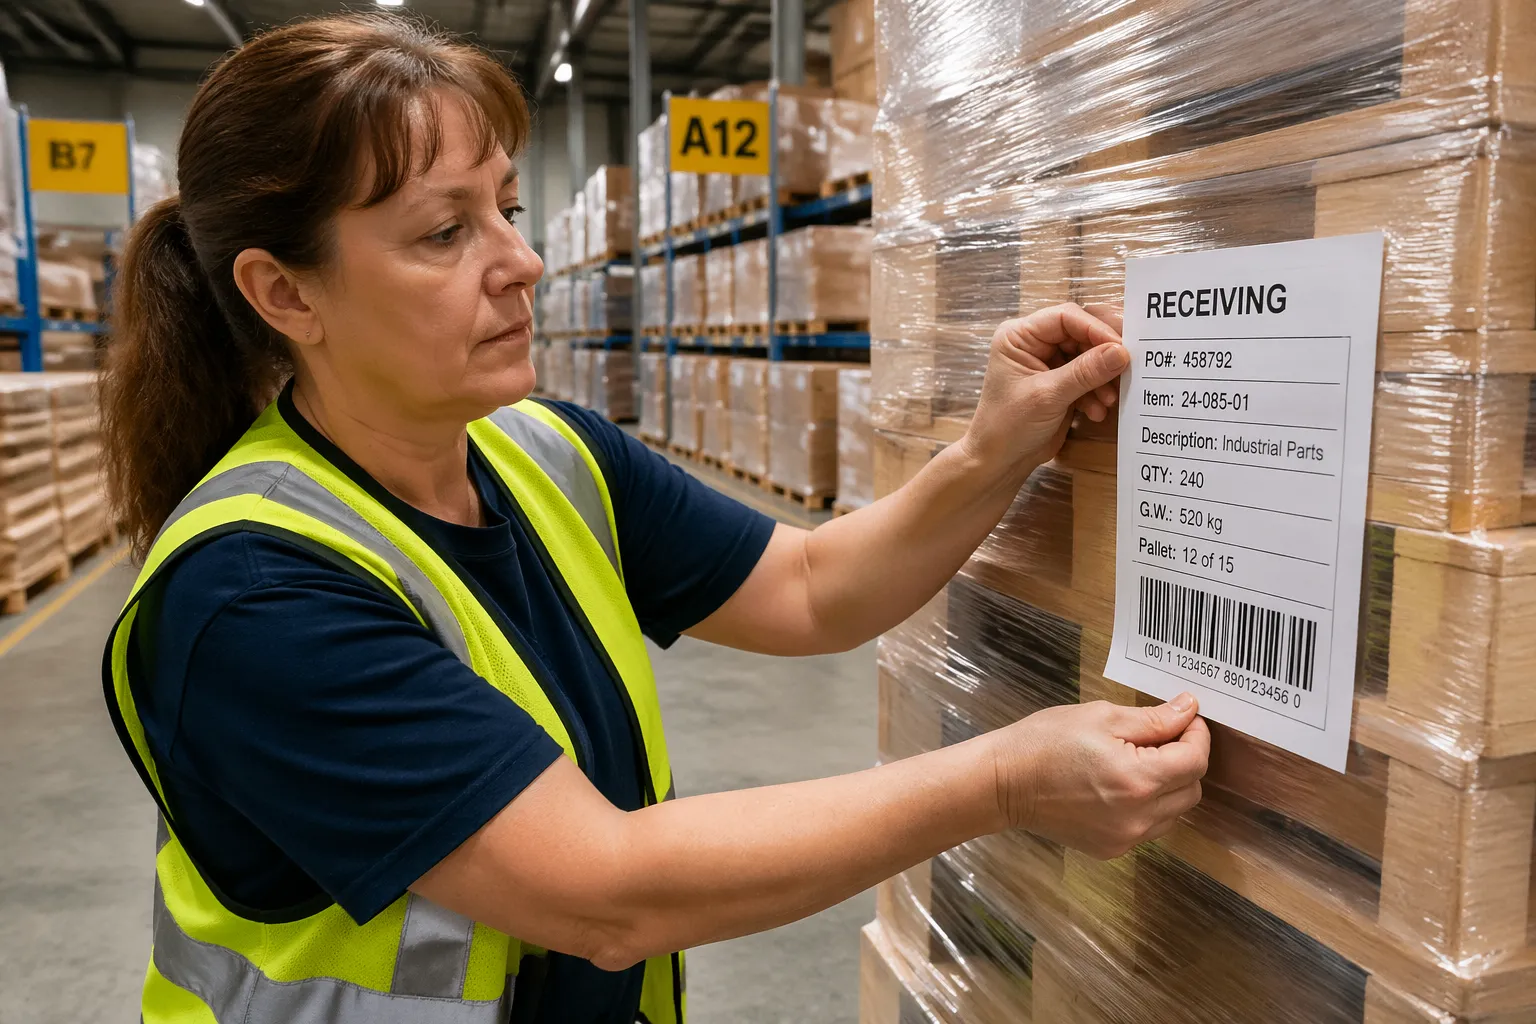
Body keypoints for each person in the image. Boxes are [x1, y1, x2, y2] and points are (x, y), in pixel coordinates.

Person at [99, 13, 1209, 1024]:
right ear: (285, 293)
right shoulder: (253, 596)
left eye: (509, 209)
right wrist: (1003, 780)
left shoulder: (546, 451)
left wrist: (992, 449)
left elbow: (816, 585)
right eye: (445, 234)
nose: (522, 262)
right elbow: (605, 892)